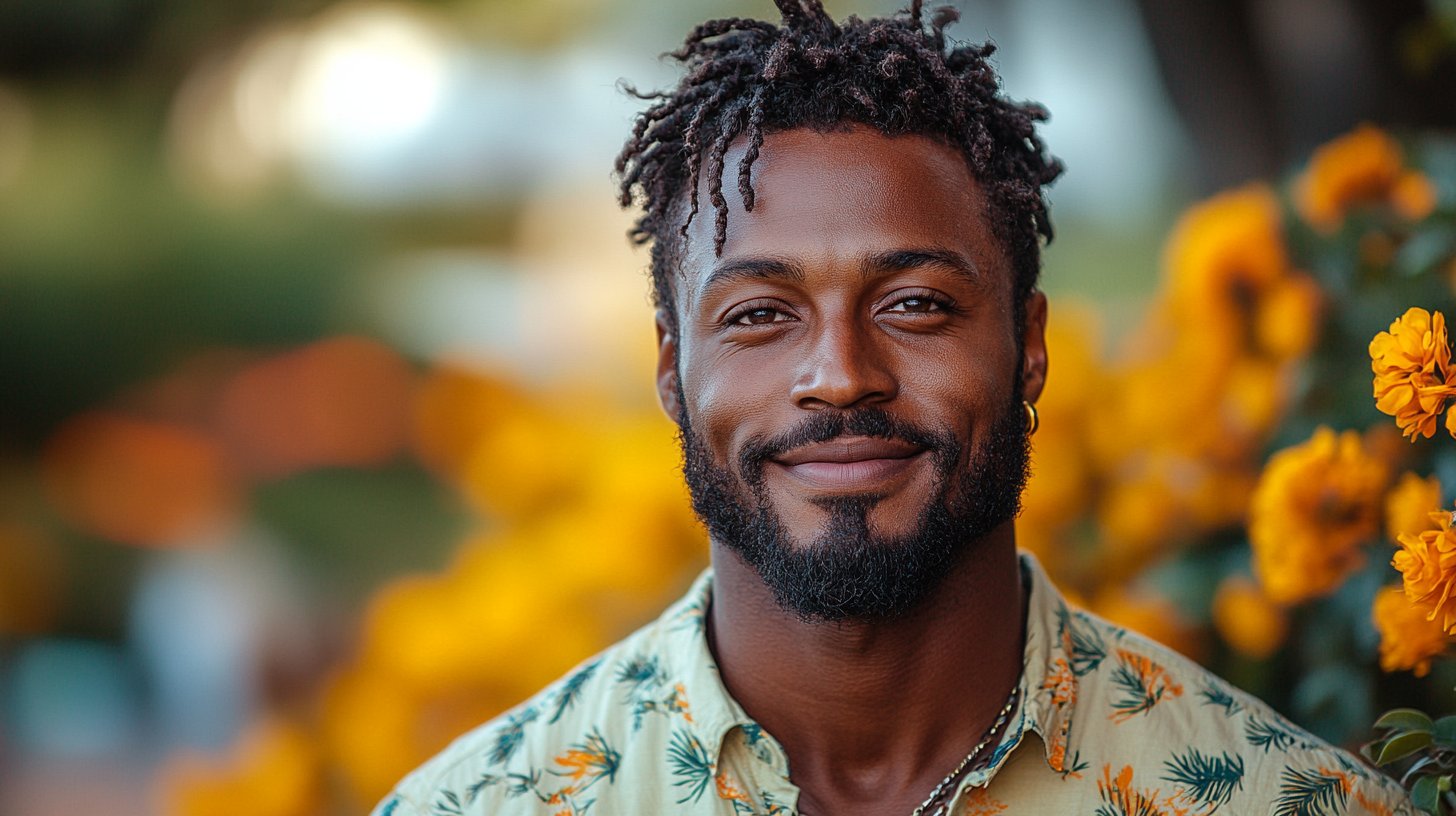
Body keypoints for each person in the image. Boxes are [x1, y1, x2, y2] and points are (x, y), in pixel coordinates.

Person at [373, 2, 1416, 813]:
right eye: (758, 314)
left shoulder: (1283, 802)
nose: (840, 374)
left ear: (1030, 349)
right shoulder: (479, 806)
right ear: (668, 367)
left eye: (915, 304)